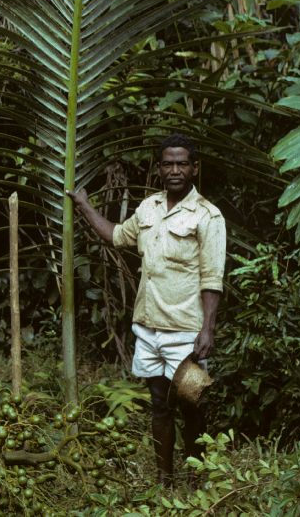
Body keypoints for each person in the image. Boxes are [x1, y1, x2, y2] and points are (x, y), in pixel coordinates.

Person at [67, 132, 226, 485]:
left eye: (182, 163)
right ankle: (164, 478)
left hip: (185, 328)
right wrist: (84, 206)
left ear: (194, 168)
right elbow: (117, 235)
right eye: (168, 163)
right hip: (149, 326)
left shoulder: (207, 216)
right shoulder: (148, 208)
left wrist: (208, 329)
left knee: (192, 403)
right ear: (159, 168)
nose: (174, 170)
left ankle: (198, 477)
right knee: (159, 403)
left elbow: (212, 278)